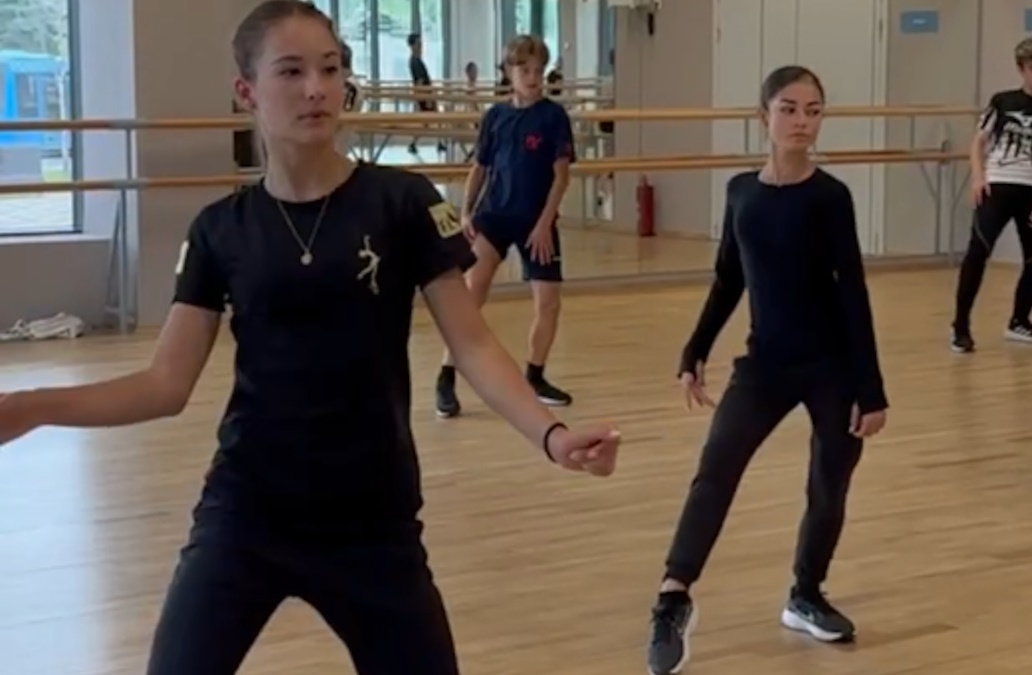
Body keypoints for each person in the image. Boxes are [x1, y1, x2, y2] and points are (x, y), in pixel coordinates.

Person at [0, 3, 620, 674]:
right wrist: (32, 408)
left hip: (373, 519)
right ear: (247, 91)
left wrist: (552, 436)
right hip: (246, 515)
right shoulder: (220, 229)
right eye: (291, 72)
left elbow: (472, 345)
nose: (317, 89)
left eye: (329, 69)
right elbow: (164, 384)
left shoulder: (403, 202)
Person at [645, 65, 888, 675]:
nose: (802, 121)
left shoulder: (830, 198)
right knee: (716, 469)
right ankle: (672, 597)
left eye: (813, 110)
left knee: (828, 484)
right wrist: (694, 348)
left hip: (831, 368)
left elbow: (853, 292)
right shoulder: (741, 194)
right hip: (764, 367)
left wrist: (871, 389)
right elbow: (729, 277)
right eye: (789, 109)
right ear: (764, 116)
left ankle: (806, 595)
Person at [435, 34, 575, 418]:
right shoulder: (495, 117)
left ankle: (536, 376)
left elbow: (561, 177)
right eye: (524, 70)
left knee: (549, 303)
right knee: (470, 294)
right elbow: (479, 168)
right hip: (495, 216)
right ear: (509, 73)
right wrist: (466, 212)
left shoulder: (553, 117)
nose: (532, 78)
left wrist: (545, 223)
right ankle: (446, 375)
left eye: (538, 71)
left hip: (536, 221)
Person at [950, 36, 1032, 353]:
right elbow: (979, 141)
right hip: (997, 185)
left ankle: (1020, 320)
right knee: (978, 252)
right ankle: (960, 326)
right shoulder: (1002, 102)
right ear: (1021, 69)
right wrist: (978, 177)